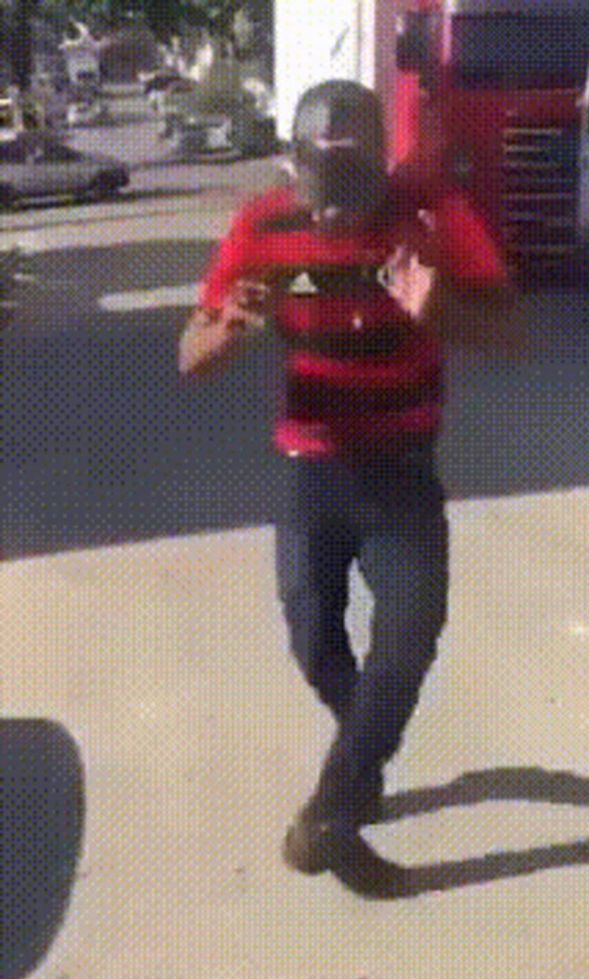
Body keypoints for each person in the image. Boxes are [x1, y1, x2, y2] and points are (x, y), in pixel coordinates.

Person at [178, 80, 513, 876]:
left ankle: (330, 814)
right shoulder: (264, 224)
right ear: (296, 170)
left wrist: (441, 313)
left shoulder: (432, 220)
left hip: (402, 469)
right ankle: (361, 758)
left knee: (408, 640)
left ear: (383, 168)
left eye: (352, 195)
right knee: (313, 642)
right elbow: (189, 356)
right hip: (311, 467)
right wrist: (225, 331)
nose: (334, 216)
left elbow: (514, 331)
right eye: (321, 194)